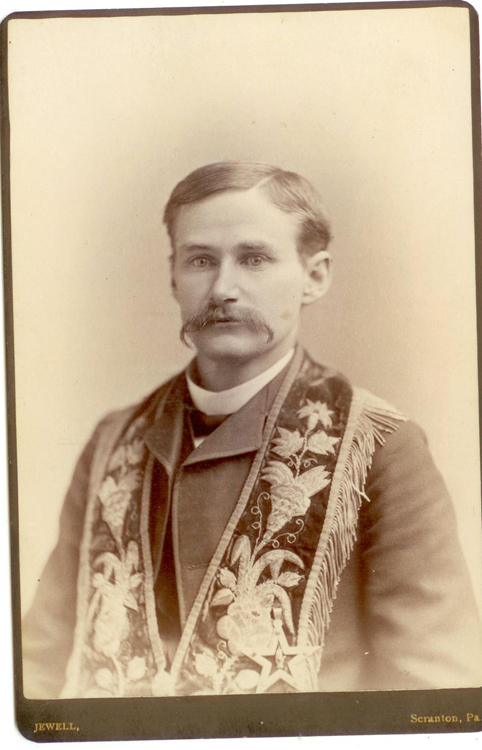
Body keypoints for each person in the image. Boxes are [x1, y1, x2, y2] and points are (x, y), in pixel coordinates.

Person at [22, 161, 482, 699]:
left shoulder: (380, 447)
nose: (223, 288)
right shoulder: (113, 440)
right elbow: (38, 667)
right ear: (173, 276)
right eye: (200, 260)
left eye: (254, 258)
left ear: (315, 277)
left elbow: (431, 688)